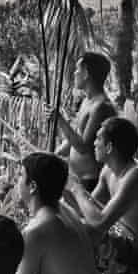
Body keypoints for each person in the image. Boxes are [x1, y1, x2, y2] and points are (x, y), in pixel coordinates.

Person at [66, 117, 138, 274]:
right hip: (126, 245)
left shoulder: (136, 176)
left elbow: (100, 222)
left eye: (98, 139)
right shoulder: (108, 172)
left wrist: (76, 188)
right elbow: (87, 209)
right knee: (70, 223)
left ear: (109, 147)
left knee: (81, 233)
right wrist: (63, 187)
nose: (94, 143)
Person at [14, 152, 98, 274]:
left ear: (33, 186)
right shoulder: (66, 212)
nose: (17, 181)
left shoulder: (35, 231)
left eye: (20, 175)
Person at [51, 52, 118, 193]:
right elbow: (74, 137)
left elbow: (83, 147)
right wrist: (54, 154)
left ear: (86, 73)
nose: (74, 73)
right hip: (78, 179)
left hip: (92, 181)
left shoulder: (101, 106)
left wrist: (60, 120)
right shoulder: (86, 101)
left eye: (77, 69)